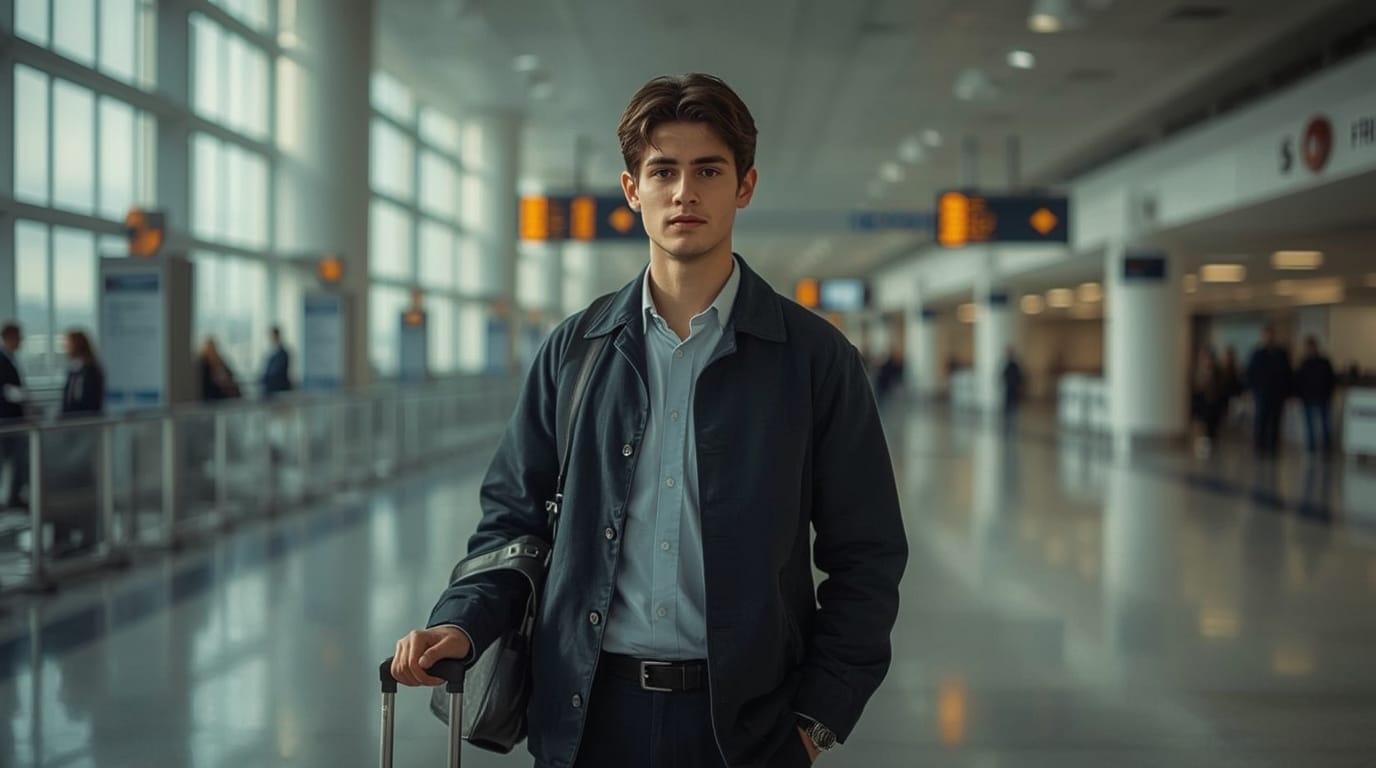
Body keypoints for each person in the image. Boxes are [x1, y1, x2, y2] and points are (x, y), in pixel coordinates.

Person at [391, 73, 908, 768]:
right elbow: (512, 523)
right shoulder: (575, 353)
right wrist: (461, 620)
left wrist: (815, 723)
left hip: (745, 730)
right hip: (584, 719)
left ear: (744, 187)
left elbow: (867, 553)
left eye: (708, 171)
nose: (684, 192)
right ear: (632, 189)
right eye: (663, 170)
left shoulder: (815, 360)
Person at [53, 330, 105, 556]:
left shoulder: (92, 371)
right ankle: (64, 534)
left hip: (84, 435)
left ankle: (88, 533)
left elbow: (91, 404)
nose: (66, 347)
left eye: (69, 343)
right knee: (66, 482)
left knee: (83, 481)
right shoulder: (73, 371)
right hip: (69, 435)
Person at [1245, 326, 1292, 457]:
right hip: (1261, 393)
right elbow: (1250, 373)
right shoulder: (1257, 354)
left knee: (1275, 421)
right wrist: (1251, 389)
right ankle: (1259, 446)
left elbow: (1287, 374)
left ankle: (1273, 447)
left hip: (1277, 394)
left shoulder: (1280, 354)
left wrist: (1288, 392)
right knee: (1261, 420)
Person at [0, 322, 29, 509]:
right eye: (18, 337)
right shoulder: (2, 359)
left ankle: (14, 496)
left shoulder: (10, 358)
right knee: (4, 460)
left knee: (17, 460)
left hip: (15, 419)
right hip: (5, 420)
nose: (21, 341)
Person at [1294, 336, 1337, 454]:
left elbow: (1331, 380)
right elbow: (1299, 381)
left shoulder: (1324, 362)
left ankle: (1326, 446)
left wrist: (1329, 393)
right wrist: (1299, 396)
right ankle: (1311, 446)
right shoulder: (1304, 363)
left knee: (1325, 424)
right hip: (1308, 397)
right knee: (1310, 424)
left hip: (1323, 397)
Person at [1191, 347, 1226, 456]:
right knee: (1203, 427)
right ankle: (1205, 448)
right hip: (1203, 403)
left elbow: (1221, 387)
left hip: (1215, 403)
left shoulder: (1218, 372)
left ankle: (1213, 447)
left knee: (1213, 427)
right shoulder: (1200, 371)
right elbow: (1196, 387)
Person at [260, 326, 292, 399]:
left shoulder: (283, 353)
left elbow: (276, 372)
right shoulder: (272, 352)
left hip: (278, 388)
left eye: (272, 336)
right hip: (270, 389)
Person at [1001, 346, 1025, 434]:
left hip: (1013, 388)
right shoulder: (1007, 365)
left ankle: (1012, 419)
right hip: (1009, 388)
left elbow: (1020, 377)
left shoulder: (1014, 365)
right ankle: (1008, 419)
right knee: (1008, 405)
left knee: (1013, 405)